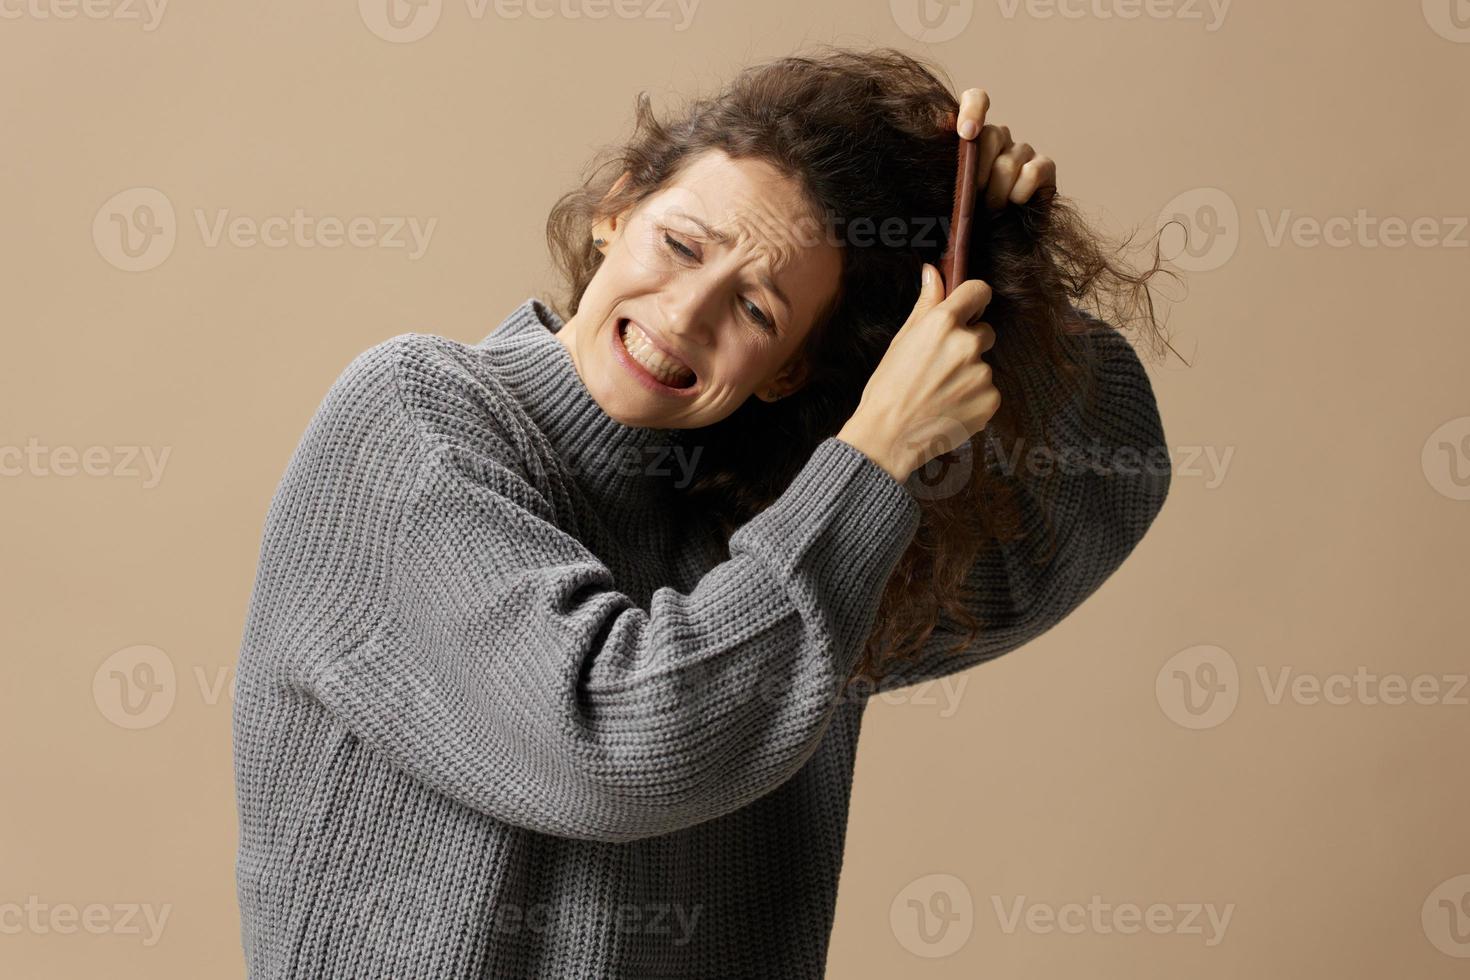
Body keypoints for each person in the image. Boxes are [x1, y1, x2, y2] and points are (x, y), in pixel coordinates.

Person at [232, 45, 1173, 979]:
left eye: (757, 310)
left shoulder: (786, 525)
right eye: (681, 245)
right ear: (616, 207)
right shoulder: (414, 419)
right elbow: (610, 741)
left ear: (794, 369)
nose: (686, 314)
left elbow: (1104, 476)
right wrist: (877, 455)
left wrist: (995, 263)